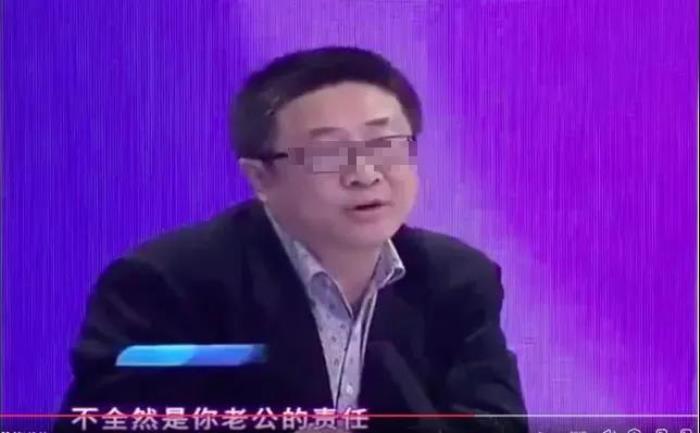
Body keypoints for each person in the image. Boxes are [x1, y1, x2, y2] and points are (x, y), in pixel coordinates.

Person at [55, 46, 528, 433]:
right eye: (327, 153)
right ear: (261, 177)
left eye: (384, 144)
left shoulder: (456, 278)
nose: (365, 174)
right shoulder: (167, 283)